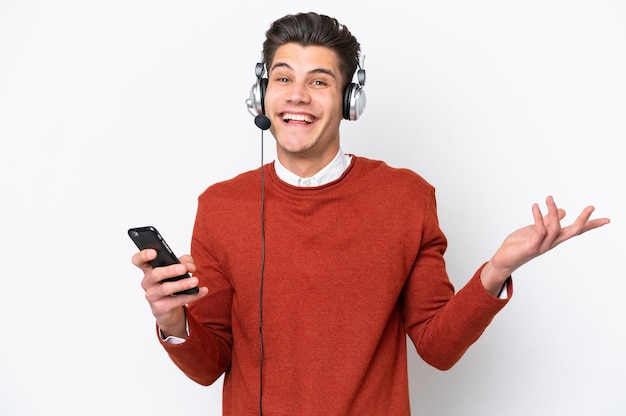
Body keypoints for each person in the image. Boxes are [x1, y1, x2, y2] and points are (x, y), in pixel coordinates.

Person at [131, 12, 610, 415]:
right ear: (262, 96)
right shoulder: (221, 206)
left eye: (318, 81)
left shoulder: (406, 197)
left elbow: (437, 347)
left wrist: (497, 270)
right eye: (282, 79)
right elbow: (211, 365)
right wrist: (174, 321)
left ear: (349, 100)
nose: (297, 95)